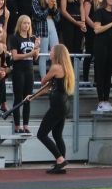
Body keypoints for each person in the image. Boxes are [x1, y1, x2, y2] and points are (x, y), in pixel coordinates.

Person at [23, 43, 75, 174]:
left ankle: (60, 159)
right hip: (63, 104)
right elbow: (47, 87)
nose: (49, 53)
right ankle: (61, 163)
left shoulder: (56, 67)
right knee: (57, 135)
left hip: (57, 105)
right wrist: (33, 96)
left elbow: (43, 81)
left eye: (51, 51)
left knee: (41, 134)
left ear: (56, 53)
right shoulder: (65, 67)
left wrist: (43, 81)